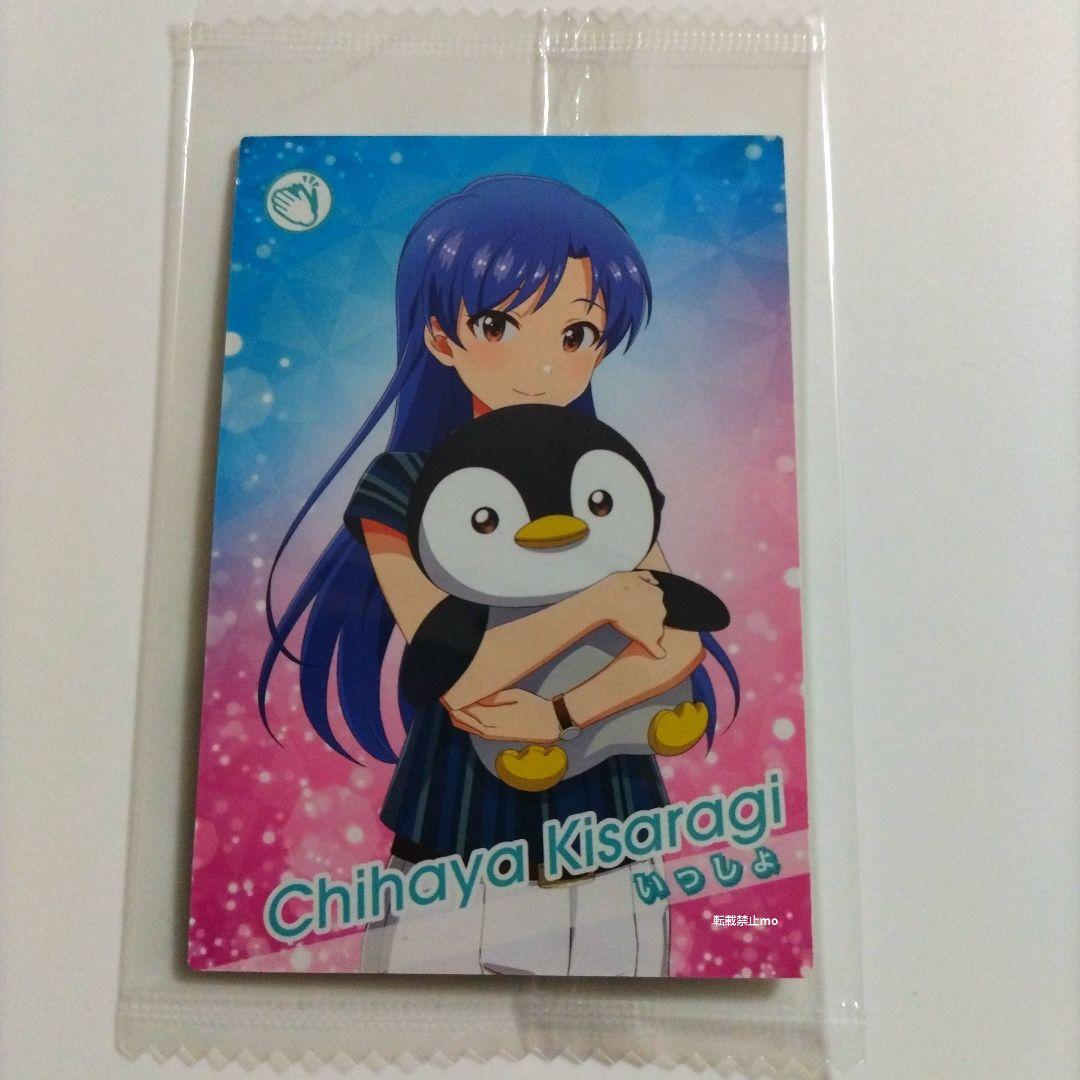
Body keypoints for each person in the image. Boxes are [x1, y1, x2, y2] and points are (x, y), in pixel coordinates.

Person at [259, 174, 737, 975]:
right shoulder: (403, 485)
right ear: (441, 337)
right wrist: (601, 603)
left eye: (576, 333)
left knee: (620, 1004)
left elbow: (676, 641)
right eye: (498, 324)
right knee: (411, 1012)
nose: (542, 366)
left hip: (608, 814)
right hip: (456, 817)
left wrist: (559, 714)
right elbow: (453, 670)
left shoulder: (604, 472)